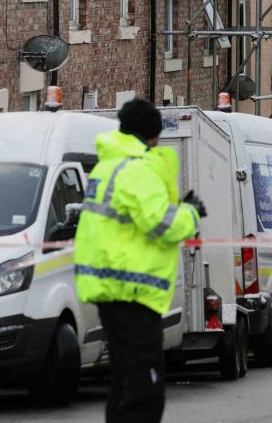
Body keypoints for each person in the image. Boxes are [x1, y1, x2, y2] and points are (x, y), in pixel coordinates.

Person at [74, 98, 206, 423]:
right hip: (133, 291)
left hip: (111, 289)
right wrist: (190, 214)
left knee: (124, 380)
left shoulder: (108, 166)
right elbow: (160, 224)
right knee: (144, 390)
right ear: (152, 134)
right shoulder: (137, 168)